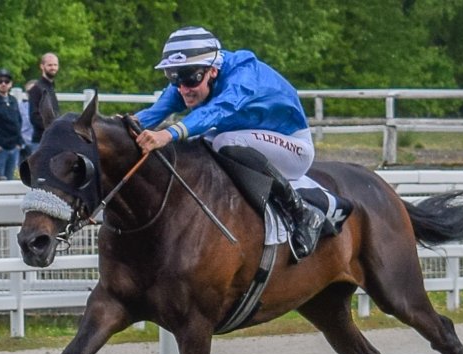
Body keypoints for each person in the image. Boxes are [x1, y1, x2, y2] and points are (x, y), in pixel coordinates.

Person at [134, 26, 325, 260]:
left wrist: (167, 134)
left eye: (189, 78)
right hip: (254, 140)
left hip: (294, 148)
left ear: (213, 70)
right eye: (174, 78)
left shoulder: (243, 75)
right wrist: (112, 126)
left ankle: (302, 211)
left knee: (224, 140)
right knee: (198, 142)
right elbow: (151, 115)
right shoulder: (195, 77)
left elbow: (216, 110)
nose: (183, 88)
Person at [28, 53, 60, 144]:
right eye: (50, 65)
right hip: (41, 141)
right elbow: (34, 117)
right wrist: (52, 127)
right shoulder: (36, 88)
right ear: (42, 66)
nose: (53, 68)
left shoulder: (51, 87)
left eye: (55, 65)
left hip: (53, 139)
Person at [19, 79, 38, 156]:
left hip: (40, 144)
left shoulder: (47, 108)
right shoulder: (20, 107)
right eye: (29, 91)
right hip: (24, 144)